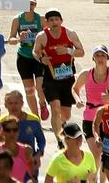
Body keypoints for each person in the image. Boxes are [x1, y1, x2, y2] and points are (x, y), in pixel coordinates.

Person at [33, 8, 85, 146]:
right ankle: (60, 140)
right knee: (55, 109)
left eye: (57, 19)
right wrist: (41, 59)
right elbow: (35, 52)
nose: (54, 22)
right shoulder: (42, 36)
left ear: (61, 21)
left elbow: (81, 52)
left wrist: (68, 50)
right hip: (51, 79)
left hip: (68, 79)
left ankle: (62, 127)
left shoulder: (70, 34)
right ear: (47, 23)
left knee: (65, 115)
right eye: (51, 20)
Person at [73, 44, 109, 173]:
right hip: (90, 118)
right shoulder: (86, 74)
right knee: (96, 153)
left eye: (103, 55)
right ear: (93, 58)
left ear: (107, 57)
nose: (100, 58)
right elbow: (75, 88)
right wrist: (78, 100)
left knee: (107, 156)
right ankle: (93, 179)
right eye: (97, 55)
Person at [9, 0, 50, 120]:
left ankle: (42, 104)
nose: (30, 7)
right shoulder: (17, 19)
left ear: (35, 5)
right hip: (24, 57)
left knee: (40, 86)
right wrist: (18, 38)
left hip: (38, 57)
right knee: (29, 90)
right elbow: (11, 39)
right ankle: (35, 117)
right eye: (27, 4)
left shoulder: (41, 19)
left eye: (32, 4)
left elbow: (49, 36)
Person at [0, 90, 47, 180]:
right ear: (5, 105)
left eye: (16, 103)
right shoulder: (0, 122)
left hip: (28, 161)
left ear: (22, 103)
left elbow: (41, 141)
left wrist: (38, 155)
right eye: (10, 103)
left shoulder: (33, 120)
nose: (13, 106)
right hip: (7, 166)